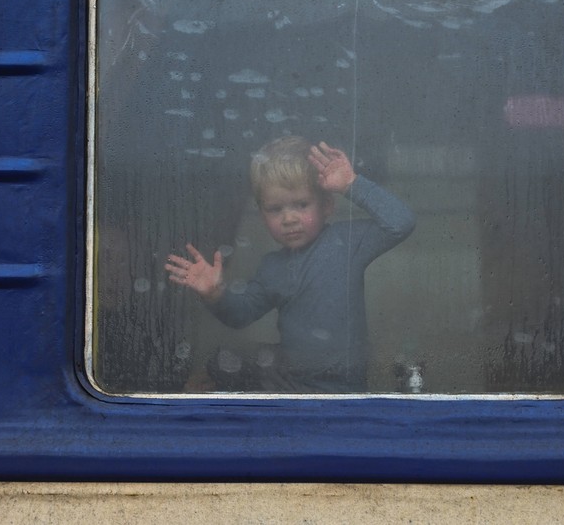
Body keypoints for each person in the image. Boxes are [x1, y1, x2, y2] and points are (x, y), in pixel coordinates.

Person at [165, 137, 415, 392]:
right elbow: (240, 315)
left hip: (343, 389)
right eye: (275, 209)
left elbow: (401, 223)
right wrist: (215, 294)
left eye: (301, 205)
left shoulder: (346, 243)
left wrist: (352, 184)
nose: (289, 218)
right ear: (262, 215)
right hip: (292, 387)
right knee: (223, 361)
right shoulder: (273, 267)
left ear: (326, 205)